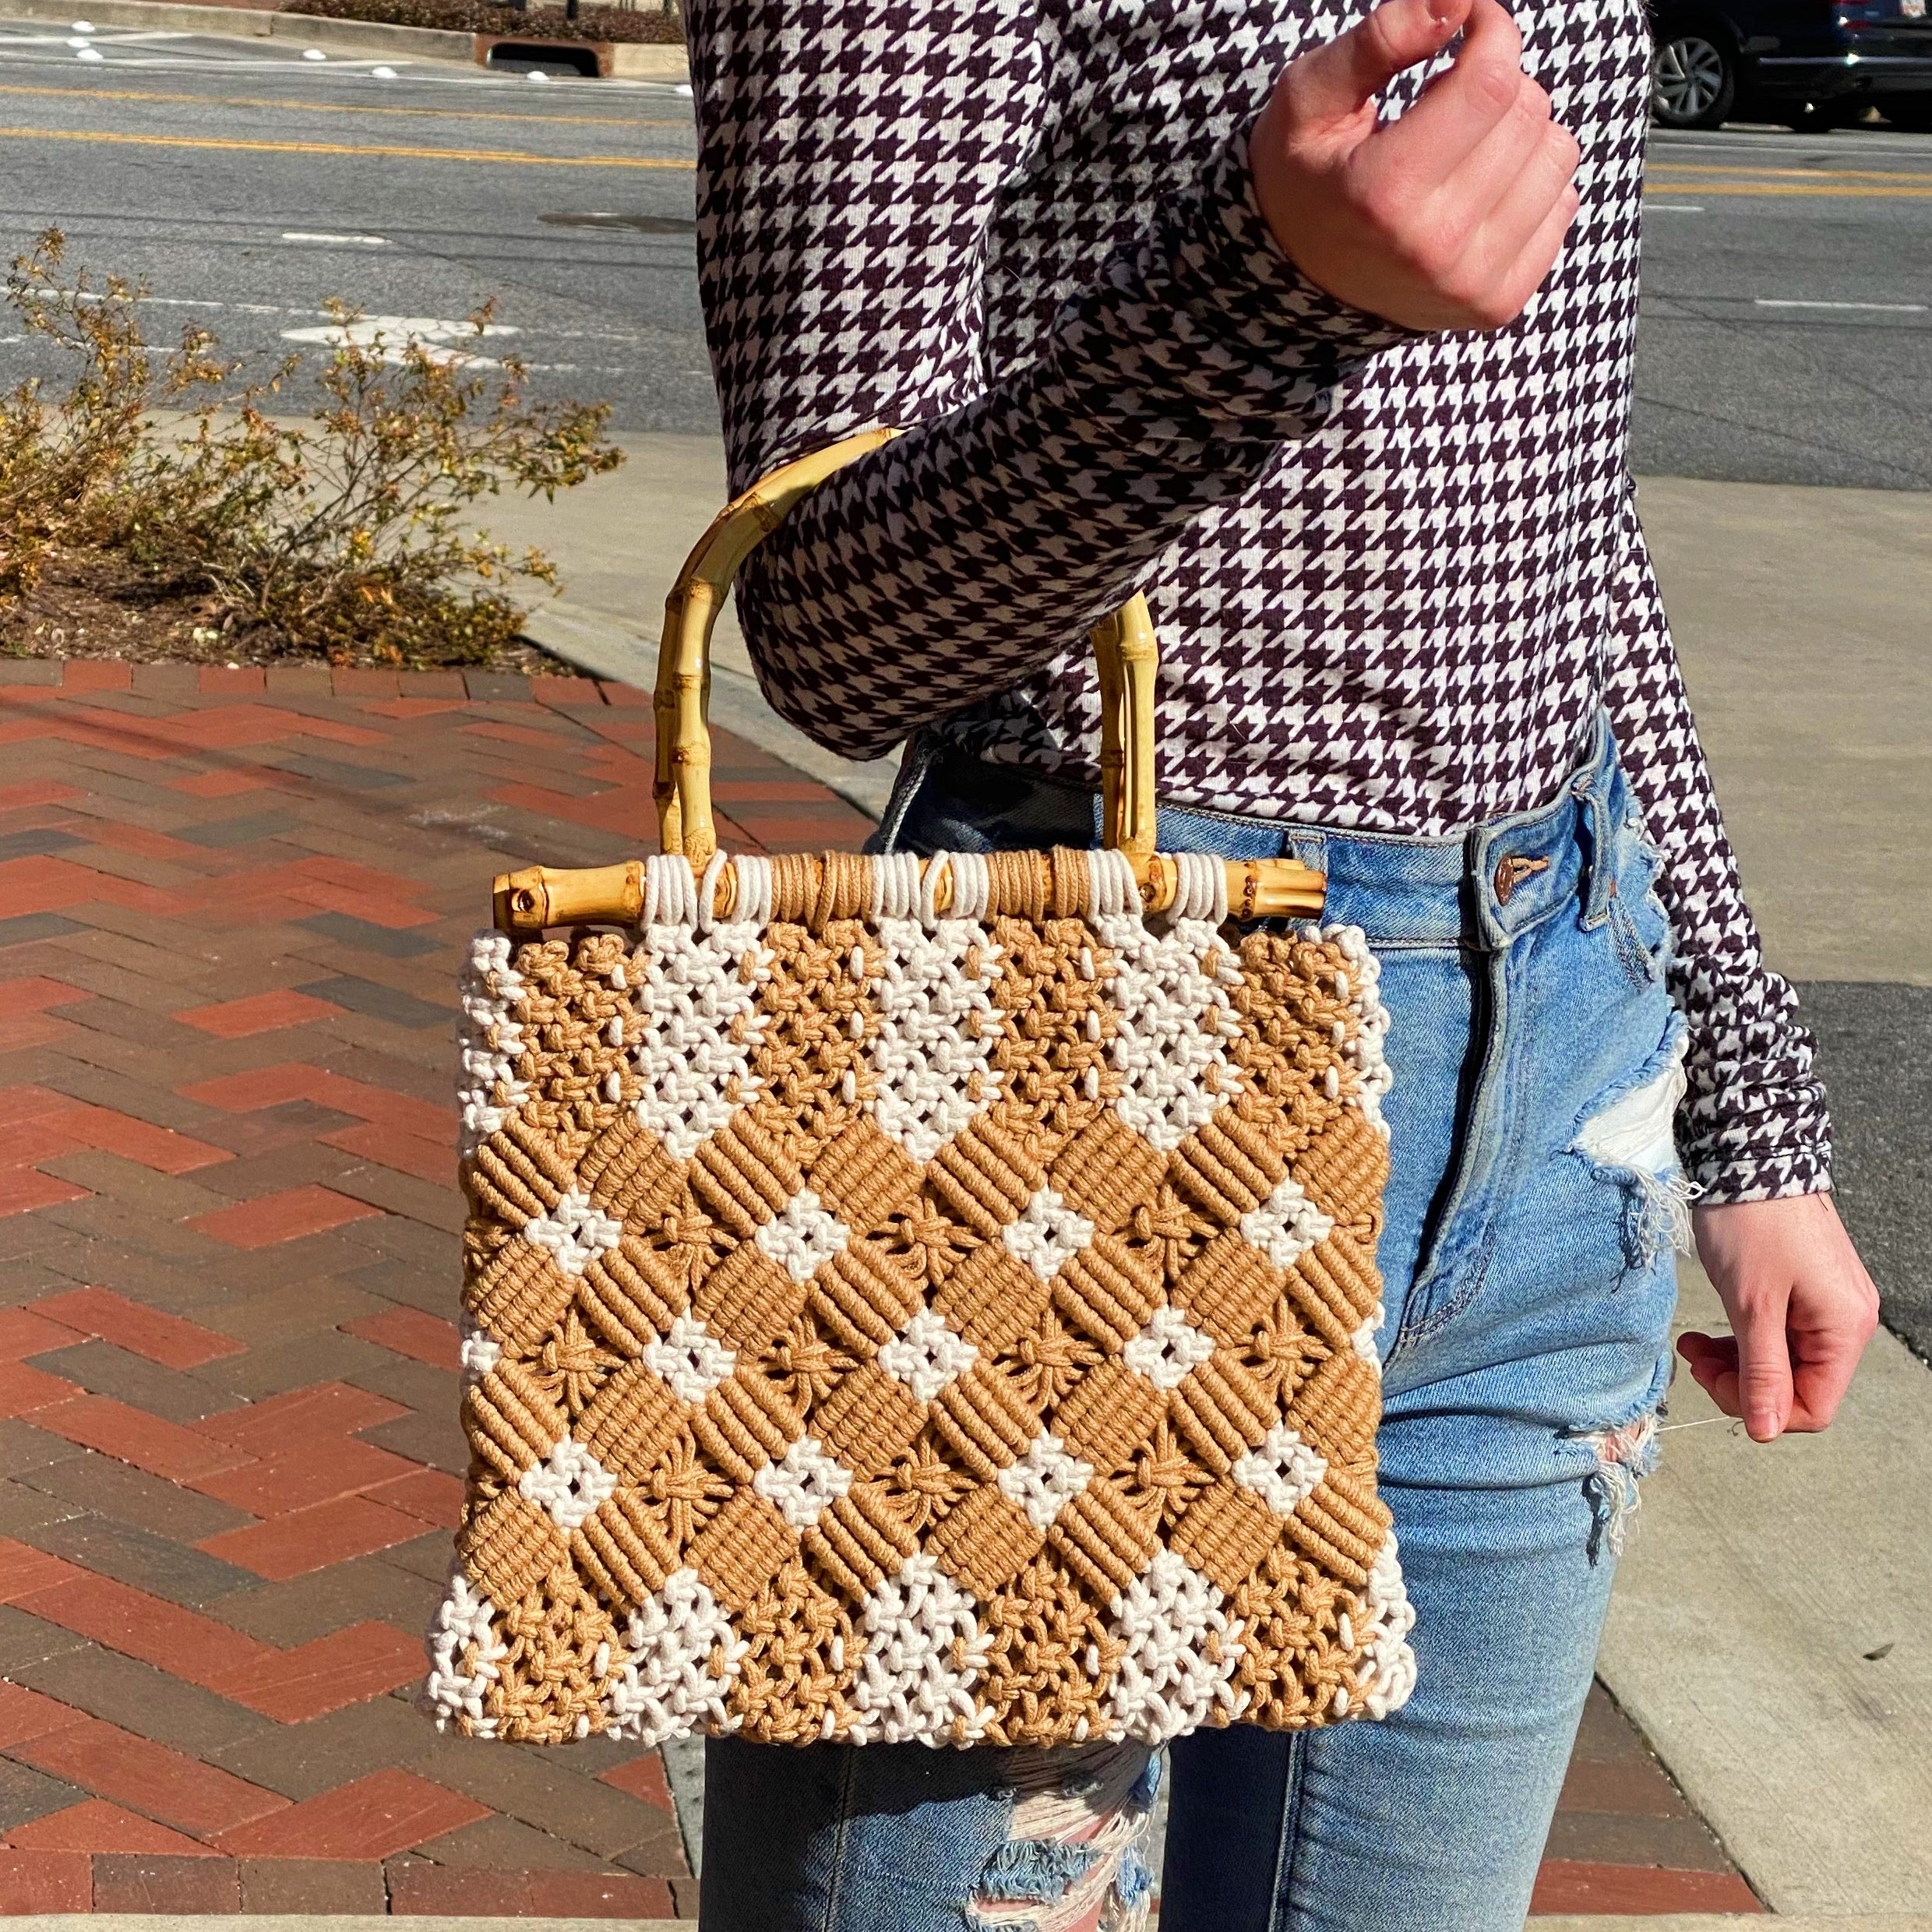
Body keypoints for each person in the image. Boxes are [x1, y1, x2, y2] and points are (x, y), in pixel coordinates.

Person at [682, 0, 1881, 1923]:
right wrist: (1262, 297)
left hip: (1549, 1041)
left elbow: (1557, 518)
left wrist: (1743, 1104)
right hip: (1074, 1086)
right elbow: (827, 626)